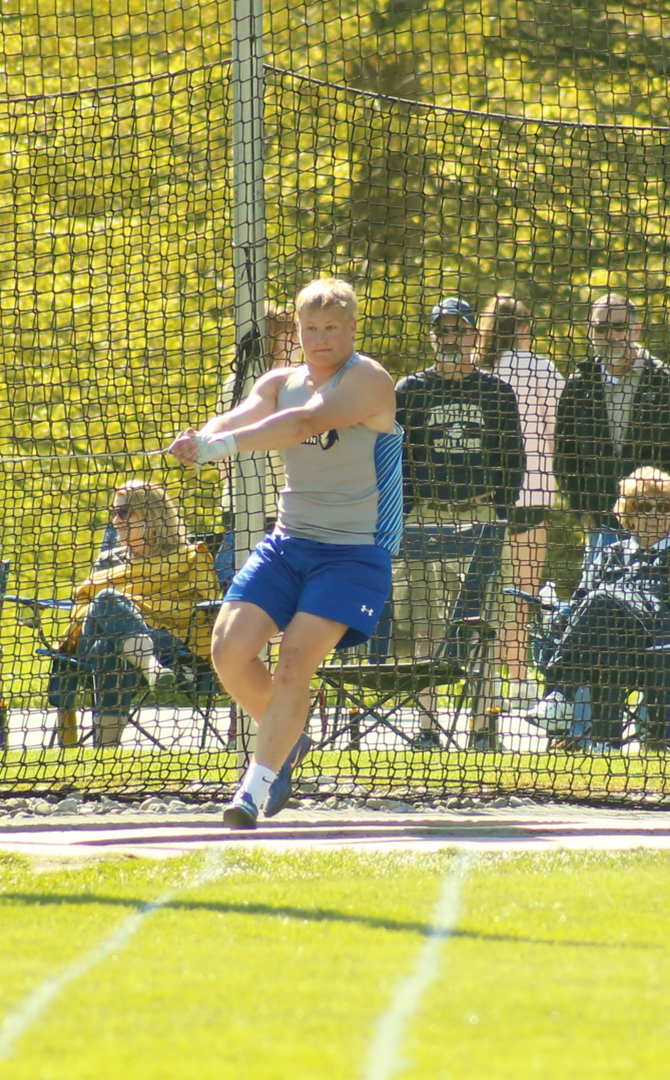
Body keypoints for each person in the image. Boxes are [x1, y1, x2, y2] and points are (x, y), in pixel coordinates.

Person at [170, 277, 402, 830]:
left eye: (330, 328)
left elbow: (303, 425)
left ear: (351, 328)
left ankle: (254, 788)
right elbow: (244, 414)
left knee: (296, 658)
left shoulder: (368, 380)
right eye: (310, 328)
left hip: (353, 553)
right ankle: (287, 741)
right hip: (287, 543)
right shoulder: (280, 379)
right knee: (228, 650)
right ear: (297, 331)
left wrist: (221, 449)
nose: (319, 338)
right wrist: (203, 438)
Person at [521, 467, 670, 752]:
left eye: (662, 507)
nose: (653, 515)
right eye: (643, 507)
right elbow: (580, 600)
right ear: (627, 513)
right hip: (615, 639)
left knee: (602, 598)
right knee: (606, 638)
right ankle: (606, 743)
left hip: (663, 630)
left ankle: (559, 693)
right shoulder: (610, 553)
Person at [392, 296, 524, 749]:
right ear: (432, 337)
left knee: (484, 626)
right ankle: (428, 729)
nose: (451, 339)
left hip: (483, 515)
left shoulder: (496, 392)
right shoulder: (409, 391)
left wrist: (496, 513)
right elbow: (397, 461)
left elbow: (513, 463)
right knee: (425, 627)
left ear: (474, 337)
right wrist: (410, 511)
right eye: (443, 331)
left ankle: (484, 728)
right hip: (425, 516)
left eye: (460, 331)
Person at [53, 480, 219, 748]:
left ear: (151, 515)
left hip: (169, 639)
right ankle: (149, 665)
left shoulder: (190, 557)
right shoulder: (110, 560)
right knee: (106, 599)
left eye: (122, 512)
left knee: (108, 646)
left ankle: (105, 750)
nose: (115, 520)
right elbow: (84, 607)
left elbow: (204, 607)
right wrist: (125, 605)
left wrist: (139, 609)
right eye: (113, 512)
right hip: (97, 634)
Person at [553, 294, 670, 535]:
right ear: (590, 331)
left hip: (667, 529)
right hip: (604, 528)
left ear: (636, 330)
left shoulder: (669, 383)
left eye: (619, 327)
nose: (611, 336)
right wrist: (584, 513)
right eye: (601, 328)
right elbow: (565, 458)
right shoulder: (578, 386)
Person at [475, 293, 565, 710]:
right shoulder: (540, 368)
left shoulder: (476, 369)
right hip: (531, 491)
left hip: (483, 495)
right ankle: (519, 679)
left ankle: (485, 679)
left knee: (482, 592)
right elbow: (558, 430)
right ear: (525, 329)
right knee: (523, 593)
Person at [218, 303, 297, 572]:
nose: (297, 343)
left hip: (274, 511)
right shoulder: (244, 386)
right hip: (258, 512)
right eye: (291, 336)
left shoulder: (236, 384)